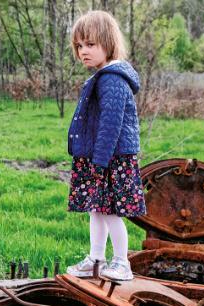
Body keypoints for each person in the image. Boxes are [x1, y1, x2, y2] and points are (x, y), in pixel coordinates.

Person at [66, 10, 146, 281]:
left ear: (108, 43)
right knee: (96, 208)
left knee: (110, 212)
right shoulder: (103, 76)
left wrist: (99, 162)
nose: (83, 51)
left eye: (90, 44)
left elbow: (110, 125)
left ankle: (122, 262)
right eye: (79, 46)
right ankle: (96, 258)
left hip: (110, 158)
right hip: (99, 156)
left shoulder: (112, 79)